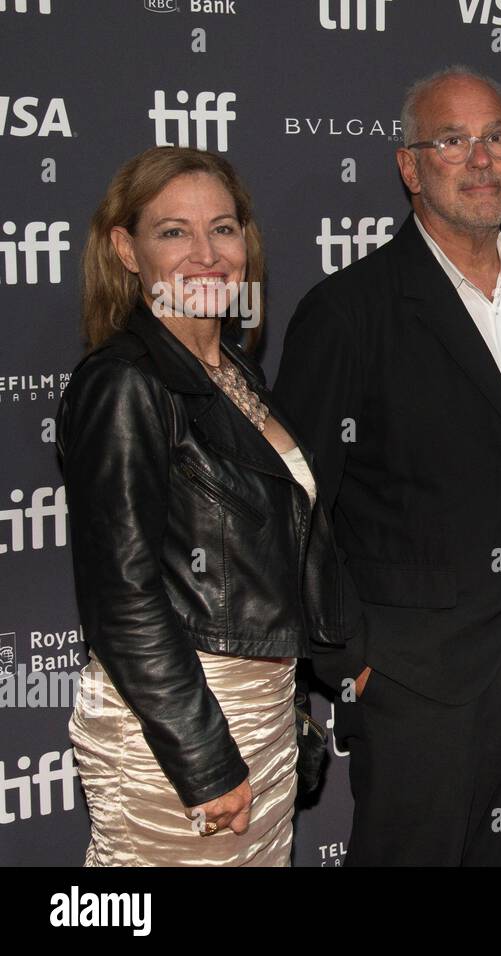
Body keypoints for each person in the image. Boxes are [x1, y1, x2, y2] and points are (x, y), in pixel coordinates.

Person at [273, 66, 501, 866]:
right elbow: (293, 505)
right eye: (453, 140)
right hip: (418, 676)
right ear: (409, 166)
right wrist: (347, 659)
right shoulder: (349, 310)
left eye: (497, 137)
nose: (481, 158)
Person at [59, 146, 356, 866]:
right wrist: (204, 757)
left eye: (222, 229)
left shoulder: (235, 372)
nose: (206, 253)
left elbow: (285, 531)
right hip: (179, 729)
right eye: (173, 232)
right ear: (126, 250)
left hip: (262, 712)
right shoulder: (125, 382)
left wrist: (344, 647)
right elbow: (121, 597)